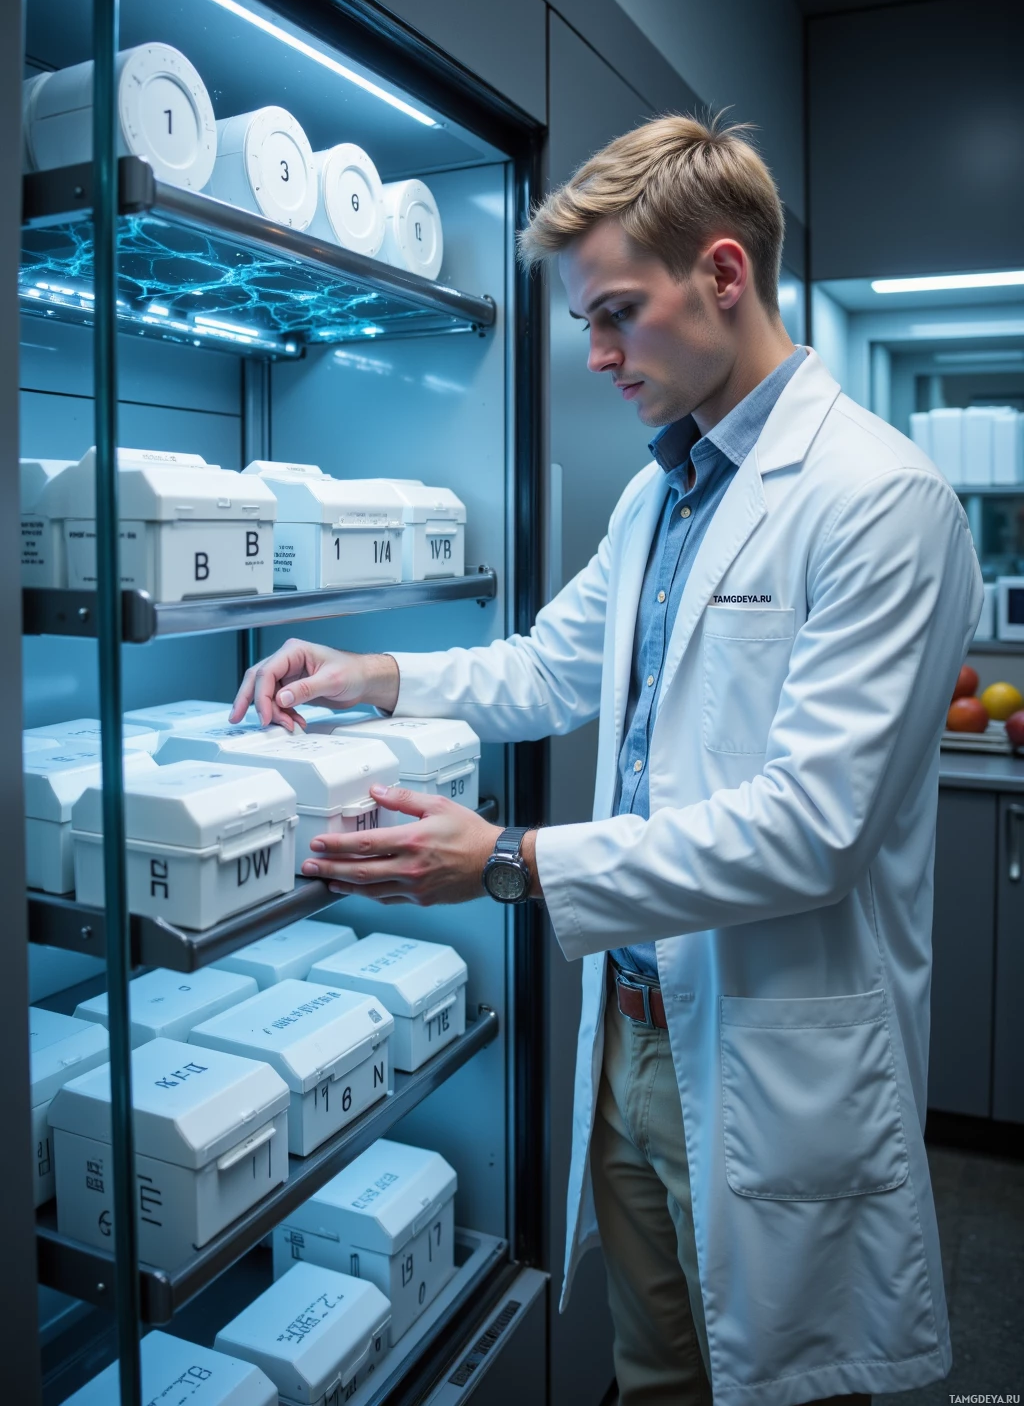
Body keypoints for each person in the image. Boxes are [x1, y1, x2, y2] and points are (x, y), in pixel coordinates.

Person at [232, 115, 981, 1406]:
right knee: (659, 1378)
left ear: (726, 276)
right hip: (633, 1039)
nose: (593, 356)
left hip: (769, 1053)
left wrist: (511, 862)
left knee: (787, 1386)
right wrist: (375, 675)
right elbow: (548, 668)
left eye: (619, 313)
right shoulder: (663, 493)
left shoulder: (878, 498)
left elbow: (813, 828)